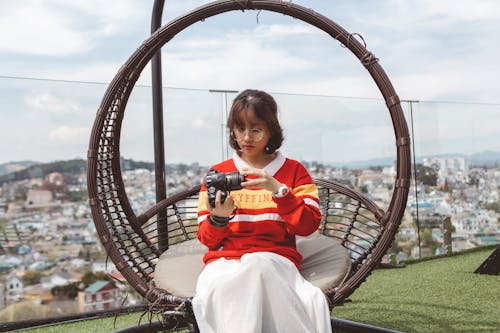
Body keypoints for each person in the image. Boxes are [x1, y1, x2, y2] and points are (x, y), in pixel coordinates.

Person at [192, 89, 332, 333]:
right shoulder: (218, 174)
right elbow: (207, 239)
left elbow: (308, 226)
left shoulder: (293, 172)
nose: (247, 137)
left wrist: (279, 191)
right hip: (225, 262)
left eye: (256, 130)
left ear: (271, 131)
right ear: (232, 131)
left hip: (275, 260)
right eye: (240, 129)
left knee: (258, 265)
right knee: (245, 274)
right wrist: (218, 218)